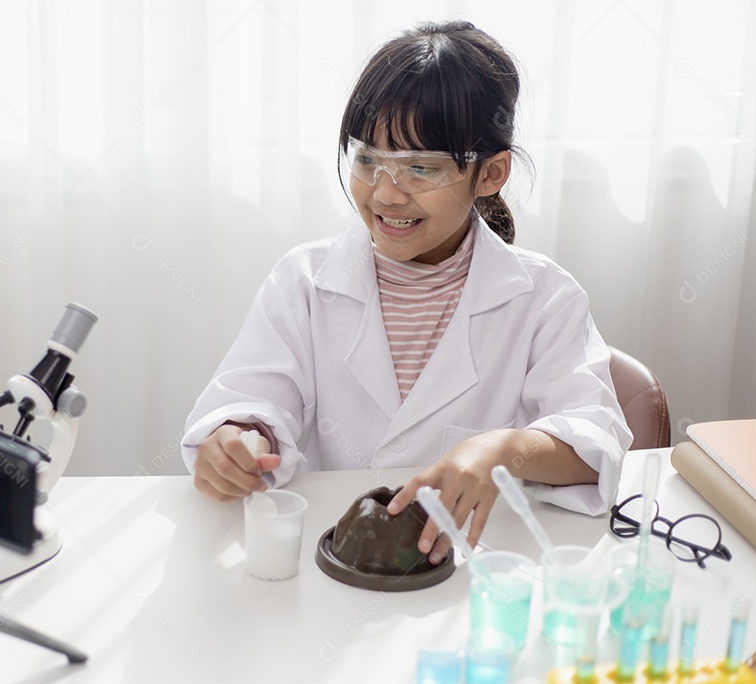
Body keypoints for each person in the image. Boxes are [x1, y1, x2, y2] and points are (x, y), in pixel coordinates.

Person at [180, 20, 632, 565]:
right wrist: (238, 441)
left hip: (467, 571)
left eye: (421, 168)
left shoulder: (544, 298)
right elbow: (251, 399)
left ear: (490, 174)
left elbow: (595, 446)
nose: (385, 194)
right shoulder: (303, 281)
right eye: (367, 159)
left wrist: (501, 449)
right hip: (332, 561)